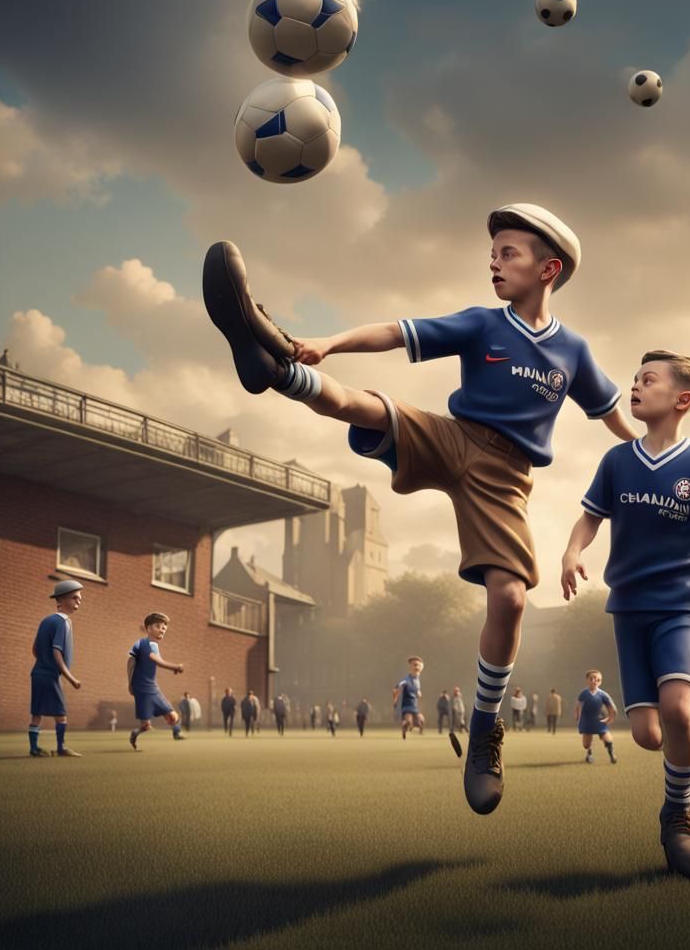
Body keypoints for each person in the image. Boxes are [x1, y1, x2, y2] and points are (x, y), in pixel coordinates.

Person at [202, 202, 634, 815]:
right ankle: (275, 362)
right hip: (452, 434)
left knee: (510, 599)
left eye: (508, 253)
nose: (494, 262)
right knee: (362, 405)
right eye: (492, 254)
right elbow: (396, 331)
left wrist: (652, 451)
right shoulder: (483, 323)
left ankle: (485, 731)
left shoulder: (573, 351)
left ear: (549, 268)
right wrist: (326, 342)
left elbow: (613, 415)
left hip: (505, 475)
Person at [561, 349, 690, 879]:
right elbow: (590, 519)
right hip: (627, 609)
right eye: (633, 380)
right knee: (651, 736)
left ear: (682, 399)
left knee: (679, 710)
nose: (634, 387)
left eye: (647, 380)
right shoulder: (617, 461)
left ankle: (677, 816)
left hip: (680, 605)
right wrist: (571, 551)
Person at [29, 580, 84, 758]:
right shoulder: (63, 622)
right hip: (51, 675)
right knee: (61, 714)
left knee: (37, 713)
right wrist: (70, 677)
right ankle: (61, 748)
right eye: (74, 598)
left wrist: (43, 663)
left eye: (80, 598)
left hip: (37, 672)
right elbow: (57, 651)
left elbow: (35, 649)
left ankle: (34, 749)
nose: (78, 601)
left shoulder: (46, 620)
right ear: (60, 600)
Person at [128, 612, 186, 750]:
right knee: (164, 719)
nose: (162, 630)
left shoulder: (140, 643)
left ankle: (175, 733)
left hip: (146, 687)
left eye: (164, 628)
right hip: (146, 688)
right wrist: (176, 666)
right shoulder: (150, 644)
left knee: (159, 720)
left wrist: (130, 682)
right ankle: (175, 732)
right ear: (148, 628)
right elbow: (157, 660)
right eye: (158, 626)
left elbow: (130, 661)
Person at [574, 670, 618, 764]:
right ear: (587, 680)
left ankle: (612, 754)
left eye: (598, 679)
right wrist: (578, 717)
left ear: (600, 681)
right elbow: (578, 705)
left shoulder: (603, 694)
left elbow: (612, 708)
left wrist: (610, 717)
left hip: (599, 721)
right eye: (592, 678)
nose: (595, 681)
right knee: (586, 744)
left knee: (607, 739)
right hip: (587, 721)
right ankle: (589, 753)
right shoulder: (584, 694)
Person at [393, 656, 425, 739]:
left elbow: (417, 690)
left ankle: (416, 728)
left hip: (414, 706)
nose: (416, 667)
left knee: (421, 720)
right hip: (407, 705)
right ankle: (404, 728)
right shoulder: (407, 679)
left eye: (418, 665)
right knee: (408, 721)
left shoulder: (417, 680)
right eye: (414, 665)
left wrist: (418, 692)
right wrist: (396, 694)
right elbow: (399, 686)